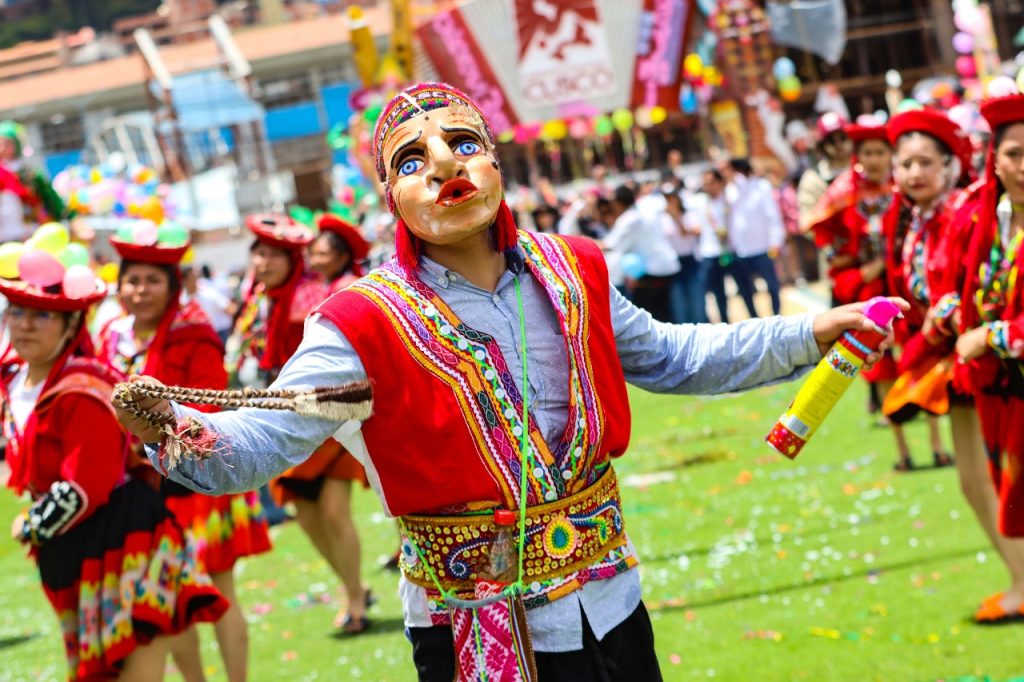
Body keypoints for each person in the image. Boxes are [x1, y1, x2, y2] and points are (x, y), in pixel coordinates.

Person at [115, 82, 902, 681]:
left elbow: (674, 356)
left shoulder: (573, 269)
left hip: (610, 601)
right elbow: (261, 442)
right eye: (412, 161)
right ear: (391, 198)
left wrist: (811, 328)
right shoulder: (359, 320)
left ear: (496, 159)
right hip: (471, 625)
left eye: (463, 142)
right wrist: (171, 427)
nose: (446, 166)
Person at [1, 243, 226, 680]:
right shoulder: (14, 381)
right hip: (72, 548)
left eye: (42, 314)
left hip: (123, 541)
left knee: (130, 666)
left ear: (70, 325)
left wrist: (30, 526)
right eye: (17, 311)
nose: (25, 325)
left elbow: (89, 482)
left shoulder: (82, 388)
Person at [96, 235, 270, 681]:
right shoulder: (112, 339)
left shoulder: (193, 334)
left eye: (152, 280)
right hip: (145, 494)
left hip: (198, 482)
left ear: (173, 287)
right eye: (131, 280)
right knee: (169, 601)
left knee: (218, 591)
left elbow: (209, 412)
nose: (140, 290)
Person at [272, 213, 376, 633]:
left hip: (339, 410)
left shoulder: (351, 289)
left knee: (334, 512)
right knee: (305, 512)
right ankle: (354, 586)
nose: (315, 255)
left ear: (342, 255)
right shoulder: (296, 291)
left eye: (323, 250)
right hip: (297, 409)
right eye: (312, 249)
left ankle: (354, 601)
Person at [948, 94, 1024, 623]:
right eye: (1017, 153)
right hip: (1000, 390)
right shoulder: (987, 220)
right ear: (995, 158)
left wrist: (991, 335)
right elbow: (964, 285)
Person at [805, 122, 916, 466]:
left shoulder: (906, 186)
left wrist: (888, 263)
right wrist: (857, 263)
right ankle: (902, 450)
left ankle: (938, 443)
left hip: (904, 284)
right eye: (867, 152)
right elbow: (824, 237)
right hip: (867, 290)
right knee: (881, 367)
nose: (874, 159)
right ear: (858, 156)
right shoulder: (841, 191)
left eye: (880, 152)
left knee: (913, 358)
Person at [882, 109, 972, 471]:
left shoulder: (961, 215)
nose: (915, 173)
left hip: (974, 357)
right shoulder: (915, 221)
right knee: (974, 481)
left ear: (948, 165)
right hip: (943, 353)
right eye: (906, 164)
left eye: (925, 162)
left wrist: (929, 335)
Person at [226, 214, 326, 526]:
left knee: (329, 509)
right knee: (308, 510)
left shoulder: (308, 297)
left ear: (292, 259)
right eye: (259, 253)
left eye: (273, 255)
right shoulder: (255, 296)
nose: (263, 263)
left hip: (320, 408)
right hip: (273, 406)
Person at [603, 184, 680, 322]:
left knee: (652, 318)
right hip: (667, 266)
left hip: (652, 272)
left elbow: (608, 245)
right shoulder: (644, 208)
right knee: (666, 314)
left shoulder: (628, 219)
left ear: (619, 203)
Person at [723, 158, 785, 316]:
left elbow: (773, 216)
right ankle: (754, 318)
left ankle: (776, 316)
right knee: (745, 289)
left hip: (762, 247)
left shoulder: (761, 187)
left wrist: (776, 241)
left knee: (772, 286)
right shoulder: (730, 190)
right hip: (740, 249)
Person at [693, 168, 756, 323]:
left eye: (712, 182)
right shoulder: (699, 202)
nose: (708, 186)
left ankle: (756, 322)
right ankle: (724, 327)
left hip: (732, 250)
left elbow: (744, 188)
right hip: (711, 254)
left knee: (746, 291)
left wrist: (728, 172)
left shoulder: (730, 198)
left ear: (720, 183)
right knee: (719, 295)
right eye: (705, 183)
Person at [0, 121, 66, 242]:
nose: (2, 148)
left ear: (17, 145)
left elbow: (52, 202)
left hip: (28, 234)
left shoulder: (30, 175)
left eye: (8, 144)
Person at [659, 186, 705, 324]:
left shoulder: (688, 215)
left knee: (696, 298)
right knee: (678, 301)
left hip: (689, 260)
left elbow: (694, 231)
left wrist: (677, 219)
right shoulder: (662, 218)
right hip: (673, 263)